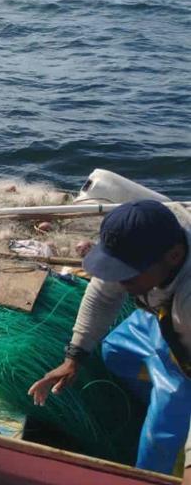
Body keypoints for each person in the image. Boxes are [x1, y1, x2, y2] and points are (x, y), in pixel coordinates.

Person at [28, 200, 190, 479]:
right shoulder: (142, 255)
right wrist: (74, 356)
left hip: (184, 351)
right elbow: (102, 297)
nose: (117, 280)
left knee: (159, 438)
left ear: (174, 256)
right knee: (115, 352)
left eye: (125, 275)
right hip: (162, 320)